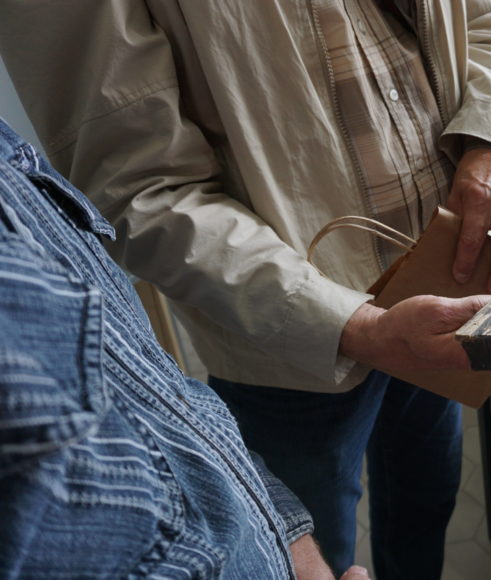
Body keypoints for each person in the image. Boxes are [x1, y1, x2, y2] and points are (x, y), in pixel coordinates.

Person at [0, 1, 491, 578]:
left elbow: (486, 17)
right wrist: (358, 326)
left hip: (444, 285)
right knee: (310, 551)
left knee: (426, 501)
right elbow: (140, 191)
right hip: (292, 345)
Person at [0, 117, 370, 580]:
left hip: (395, 312)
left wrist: (293, 545)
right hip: (295, 357)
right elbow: (143, 191)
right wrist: (354, 325)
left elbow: (160, 397)